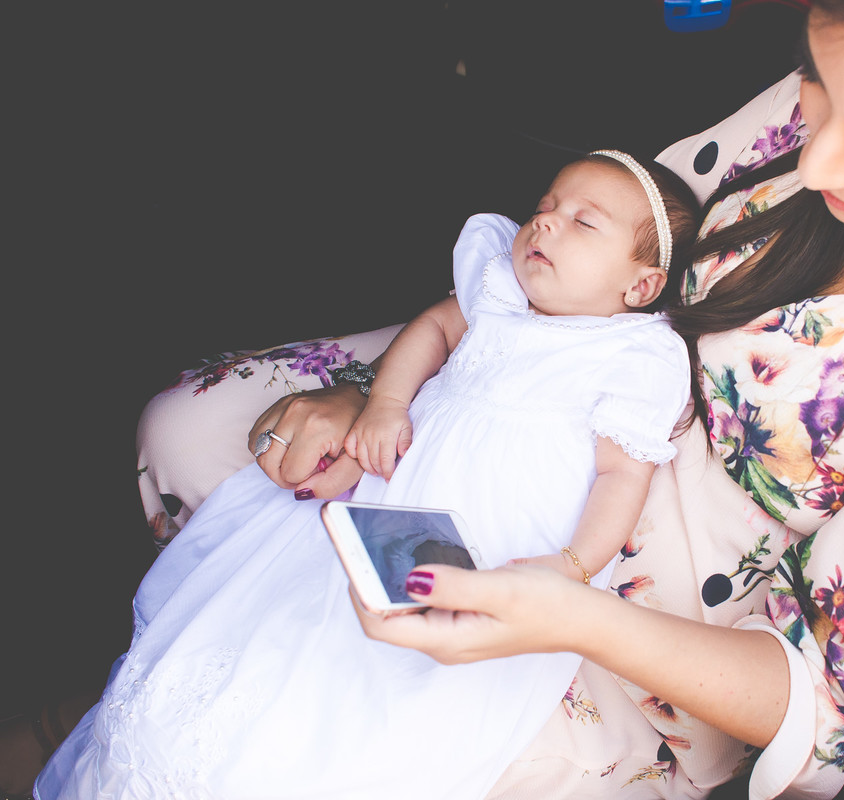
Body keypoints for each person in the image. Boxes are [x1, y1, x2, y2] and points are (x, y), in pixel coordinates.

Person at [49, 0, 844, 798]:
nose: (813, 163)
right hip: (541, 378)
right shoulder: (834, 114)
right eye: (816, 86)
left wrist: (574, 614)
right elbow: (603, 239)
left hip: (634, 631)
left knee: (321, 735)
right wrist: (396, 387)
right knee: (196, 431)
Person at [33, 151, 700, 799]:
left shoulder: (634, 355)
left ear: (639, 286)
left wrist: (576, 567)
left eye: (584, 222)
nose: (546, 223)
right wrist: (384, 403)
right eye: (544, 208)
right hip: (393, 494)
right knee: (296, 608)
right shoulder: (500, 296)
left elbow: (621, 475)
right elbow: (433, 331)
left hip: (489, 534)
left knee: (389, 679)